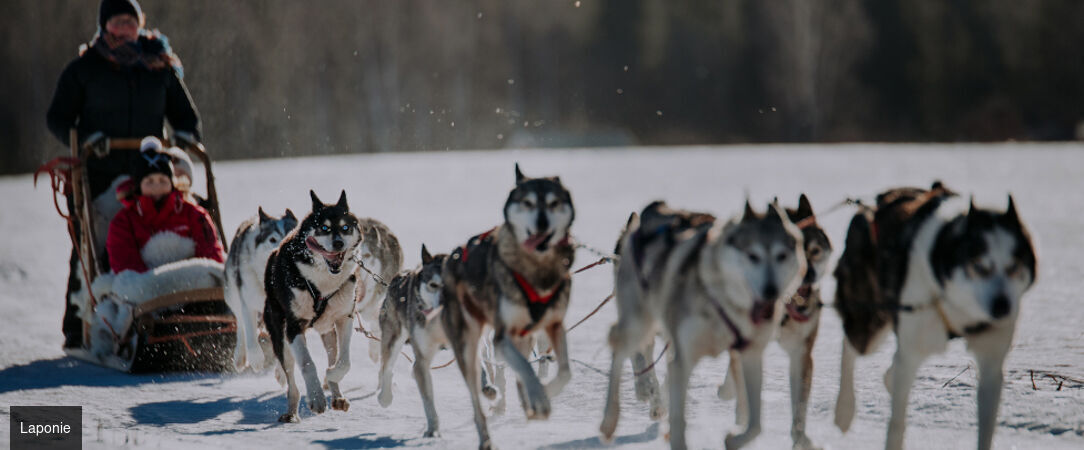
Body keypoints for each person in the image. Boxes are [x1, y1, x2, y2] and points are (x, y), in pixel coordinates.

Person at [46, 0, 202, 347]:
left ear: (140, 24)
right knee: (90, 245)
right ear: (104, 27)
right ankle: (80, 325)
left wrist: (185, 136)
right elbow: (57, 117)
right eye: (117, 21)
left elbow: (186, 117)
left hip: (150, 173)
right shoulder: (84, 69)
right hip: (99, 172)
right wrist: (89, 140)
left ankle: (179, 305)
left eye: (131, 21)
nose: (125, 28)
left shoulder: (159, 66)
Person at [106, 137, 224, 274]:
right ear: (138, 186)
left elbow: (210, 258)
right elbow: (126, 268)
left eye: (162, 180)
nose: (157, 187)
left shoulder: (194, 215)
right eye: (149, 181)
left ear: (172, 183)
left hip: (193, 286)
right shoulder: (123, 223)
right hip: (147, 289)